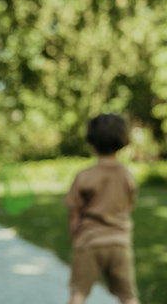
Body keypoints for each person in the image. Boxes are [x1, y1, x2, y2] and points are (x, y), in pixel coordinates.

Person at [65, 114, 140, 304]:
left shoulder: (84, 176)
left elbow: (74, 215)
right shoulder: (127, 176)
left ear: (91, 142)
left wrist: (77, 238)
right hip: (120, 244)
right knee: (128, 296)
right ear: (123, 140)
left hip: (90, 242)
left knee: (79, 293)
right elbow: (129, 207)